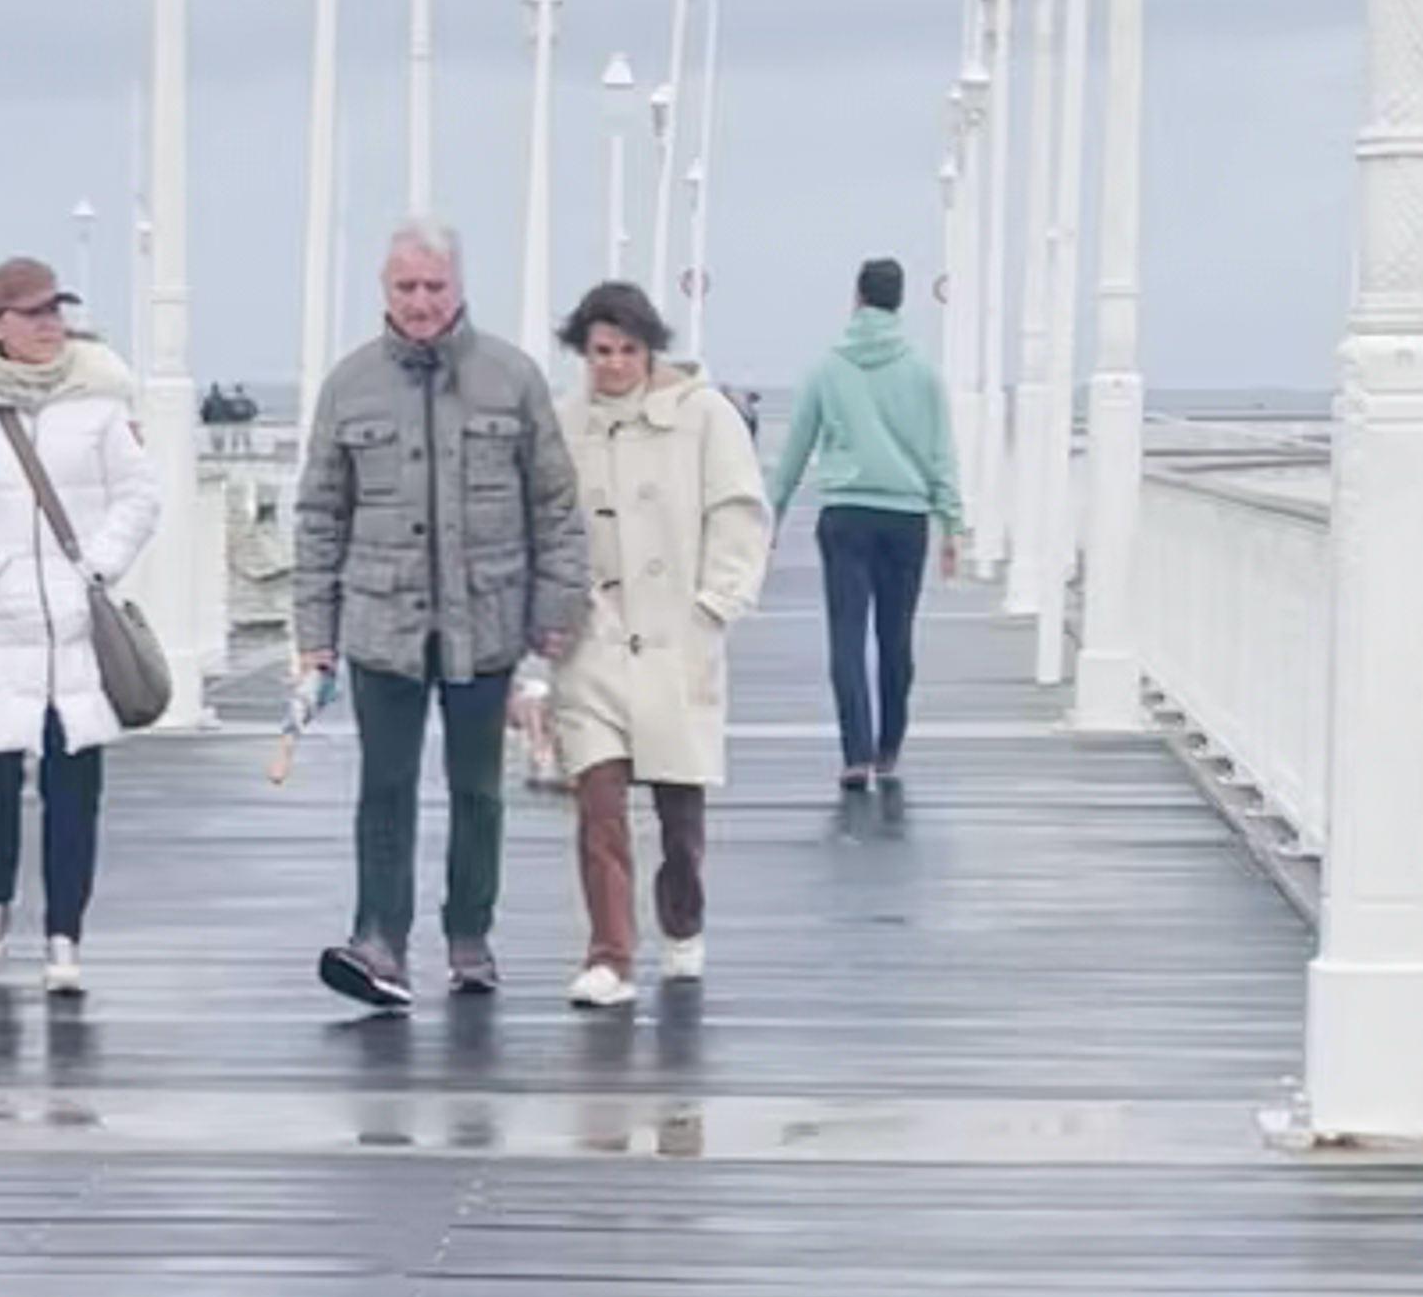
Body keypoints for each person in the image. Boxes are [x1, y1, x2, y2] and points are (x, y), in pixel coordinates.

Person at [290, 225, 588, 1008]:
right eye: (405, 288)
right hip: (381, 624)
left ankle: (469, 937)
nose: (420, 303)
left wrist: (554, 609)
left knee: (476, 790)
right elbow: (320, 514)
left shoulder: (512, 379)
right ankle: (378, 941)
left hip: (486, 621)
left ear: (457, 287)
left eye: (434, 287)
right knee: (383, 788)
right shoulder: (349, 385)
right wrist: (313, 637)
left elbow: (555, 504)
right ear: (384, 290)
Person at [0, 253, 163, 998]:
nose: (52, 324)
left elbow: (139, 496)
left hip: (76, 630)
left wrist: (100, 563)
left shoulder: (101, 403)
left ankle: (65, 938)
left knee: (74, 788)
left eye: (58, 310)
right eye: (35, 312)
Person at [544, 285, 772, 1005]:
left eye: (627, 351)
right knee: (599, 800)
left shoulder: (705, 417)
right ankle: (610, 954)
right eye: (601, 352)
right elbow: (545, 520)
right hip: (594, 637)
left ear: (651, 350)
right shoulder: (563, 423)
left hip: (676, 635)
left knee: (679, 812)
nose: (613, 365)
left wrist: (715, 605)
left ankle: (683, 925)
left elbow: (739, 511)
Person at [769, 253, 966, 793]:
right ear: (900, 301)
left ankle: (854, 752)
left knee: (848, 635)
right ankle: (889, 748)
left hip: (846, 515)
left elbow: (795, 451)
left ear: (857, 297)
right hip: (906, 518)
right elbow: (940, 454)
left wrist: (771, 515)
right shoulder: (924, 372)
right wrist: (953, 523)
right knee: (896, 635)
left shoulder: (827, 368)